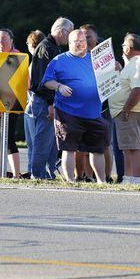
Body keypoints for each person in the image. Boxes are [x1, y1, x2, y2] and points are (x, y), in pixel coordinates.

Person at [41, 30, 108, 183]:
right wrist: (59, 86)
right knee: (68, 148)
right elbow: (46, 81)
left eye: (82, 41)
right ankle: (70, 181)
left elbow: (109, 77)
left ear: (86, 42)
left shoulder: (95, 59)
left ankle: (102, 182)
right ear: (69, 43)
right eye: (75, 41)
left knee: (97, 149)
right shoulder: (59, 60)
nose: (79, 44)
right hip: (67, 112)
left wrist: (115, 68)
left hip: (93, 112)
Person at [26, 17, 74, 179]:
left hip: (49, 101)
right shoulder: (46, 48)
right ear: (62, 31)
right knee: (43, 140)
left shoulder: (52, 47)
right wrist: (51, 103)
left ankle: (47, 172)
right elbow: (43, 82)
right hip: (45, 102)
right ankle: (38, 174)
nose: (70, 38)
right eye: (70, 33)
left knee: (51, 141)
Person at [109, 34, 140, 185]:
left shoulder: (139, 63)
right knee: (128, 148)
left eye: (123, 46)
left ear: (128, 48)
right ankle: (128, 178)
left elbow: (138, 90)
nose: (122, 48)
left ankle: (135, 179)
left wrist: (127, 109)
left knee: (134, 147)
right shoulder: (134, 62)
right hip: (131, 111)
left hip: (133, 112)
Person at [0, 29, 22, 178]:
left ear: (12, 40)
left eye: (4, 39)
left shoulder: (17, 57)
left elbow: (24, 83)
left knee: (8, 140)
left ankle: (15, 175)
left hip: (9, 105)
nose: (1, 42)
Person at [80, 24, 113, 182]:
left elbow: (115, 73)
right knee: (85, 145)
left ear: (96, 38)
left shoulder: (105, 56)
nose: (85, 40)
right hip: (82, 106)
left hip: (102, 107)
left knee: (104, 144)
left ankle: (106, 176)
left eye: (89, 36)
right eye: (83, 36)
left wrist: (116, 68)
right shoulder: (77, 55)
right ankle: (88, 176)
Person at [23, 30, 45, 177]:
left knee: (34, 141)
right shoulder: (36, 61)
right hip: (30, 104)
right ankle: (32, 168)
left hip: (33, 104)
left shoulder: (36, 61)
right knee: (32, 141)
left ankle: (33, 169)